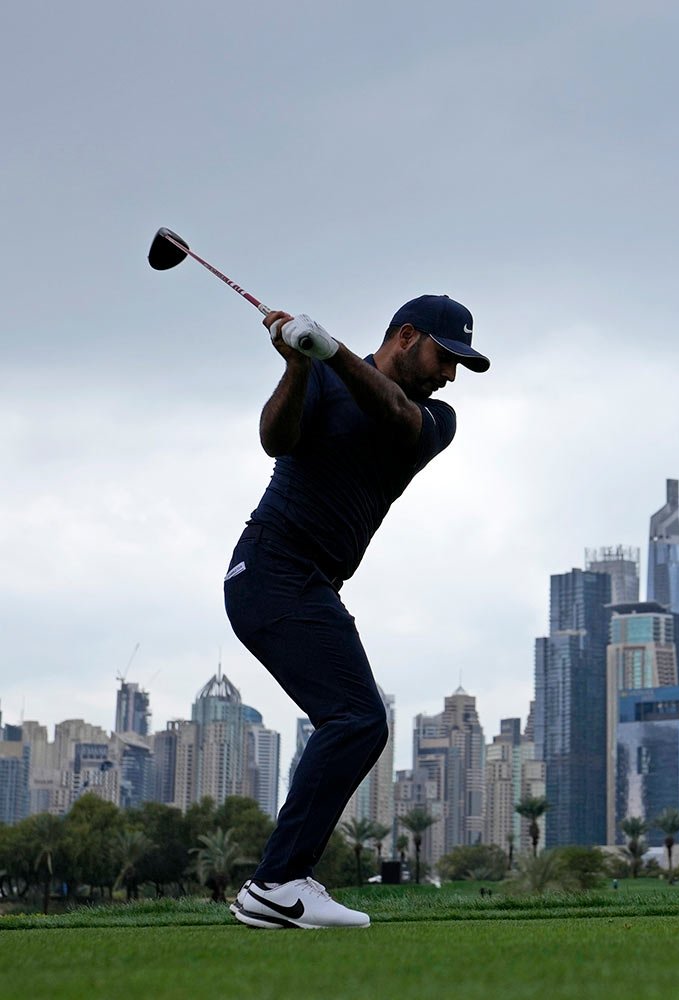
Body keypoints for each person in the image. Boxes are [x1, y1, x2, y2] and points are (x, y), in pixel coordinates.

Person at [223, 295, 488, 929]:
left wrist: (330, 351)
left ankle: (280, 880)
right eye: (444, 357)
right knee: (356, 718)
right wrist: (297, 365)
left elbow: (395, 415)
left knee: (357, 720)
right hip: (268, 570)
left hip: (312, 584)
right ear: (405, 336)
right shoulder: (317, 376)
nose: (450, 375)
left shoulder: (434, 419)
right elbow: (273, 440)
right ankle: (278, 882)